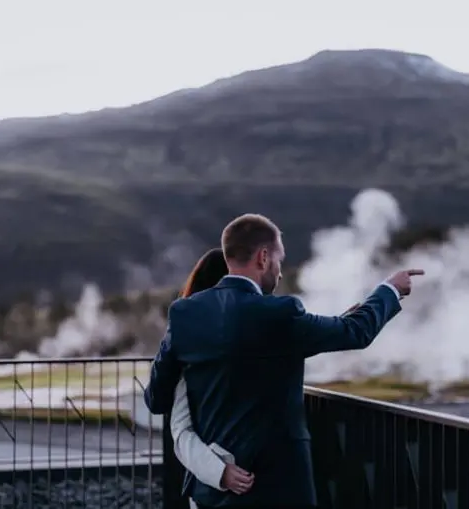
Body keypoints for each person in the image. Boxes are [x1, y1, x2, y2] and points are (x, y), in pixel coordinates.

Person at [145, 213, 423, 508]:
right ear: (263, 257)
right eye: (280, 259)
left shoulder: (184, 313)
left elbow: (156, 399)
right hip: (277, 489)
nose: (279, 272)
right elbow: (356, 333)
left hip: (211, 494)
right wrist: (389, 290)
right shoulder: (281, 313)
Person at [167, 248, 256, 508]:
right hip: (214, 494)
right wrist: (219, 472)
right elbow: (181, 430)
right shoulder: (188, 351)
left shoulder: (253, 336)